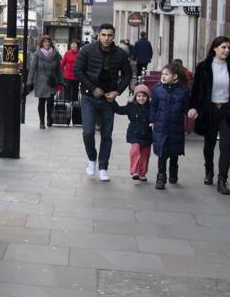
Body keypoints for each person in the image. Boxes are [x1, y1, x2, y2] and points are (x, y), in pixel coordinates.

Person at [74, 23, 133, 181]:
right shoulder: (87, 50)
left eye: (110, 35)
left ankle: (103, 167)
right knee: (88, 132)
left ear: (114, 37)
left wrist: (117, 92)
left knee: (107, 135)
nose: (106, 38)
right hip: (89, 97)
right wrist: (92, 88)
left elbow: (127, 75)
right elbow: (77, 71)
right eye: (104, 35)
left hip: (108, 99)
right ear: (98, 35)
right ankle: (92, 159)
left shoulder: (120, 54)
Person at [188, 37, 230, 194]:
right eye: (223, 47)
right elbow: (196, 90)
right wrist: (193, 107)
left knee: (225, 146)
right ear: (214, 48)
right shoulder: (203, 67)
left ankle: (222, 180)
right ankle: (209, 170)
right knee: (209, 144)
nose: (226, 50)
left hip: (228, 110)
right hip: (209, 110)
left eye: (228, 47)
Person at [150, 63, 191, 190]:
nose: (163, 76)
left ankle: (173, 172)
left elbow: (186, 108)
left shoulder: (183, 91)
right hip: (161, 127)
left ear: (175, 77)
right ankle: (161, 177)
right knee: (162, 153)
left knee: (174, 153)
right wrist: (152, 121)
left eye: (166, 74)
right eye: (162, 74)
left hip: (176, 127)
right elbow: (153, 108)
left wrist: (190, 111)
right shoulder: (157, 90)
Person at [111, 83, 152, 182]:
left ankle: (142, 173)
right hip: (134, 133)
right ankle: (134, 171)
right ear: (135, 97)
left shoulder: (151, 108)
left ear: (148, 97)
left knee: (145, 155)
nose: (141, 98)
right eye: (139, 96)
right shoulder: (131, 107)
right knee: (135, 150)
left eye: (144, 96)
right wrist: (112, 101)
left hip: (147, 134)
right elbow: (119, 110)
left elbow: (157, 116)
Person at [27, 36, 62, 129]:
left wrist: (61, 81)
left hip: (52, 82)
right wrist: (29, 80)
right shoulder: (37, 54)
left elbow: (59, 69)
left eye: (48, 42)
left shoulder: (55, 54)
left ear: (51, 43)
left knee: (50, 102)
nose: (47, 43)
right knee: (41, 102)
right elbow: (33, 68)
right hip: (41, 82)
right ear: (42, 43)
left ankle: (49, 118)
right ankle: (42, 121)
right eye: (45, 42)